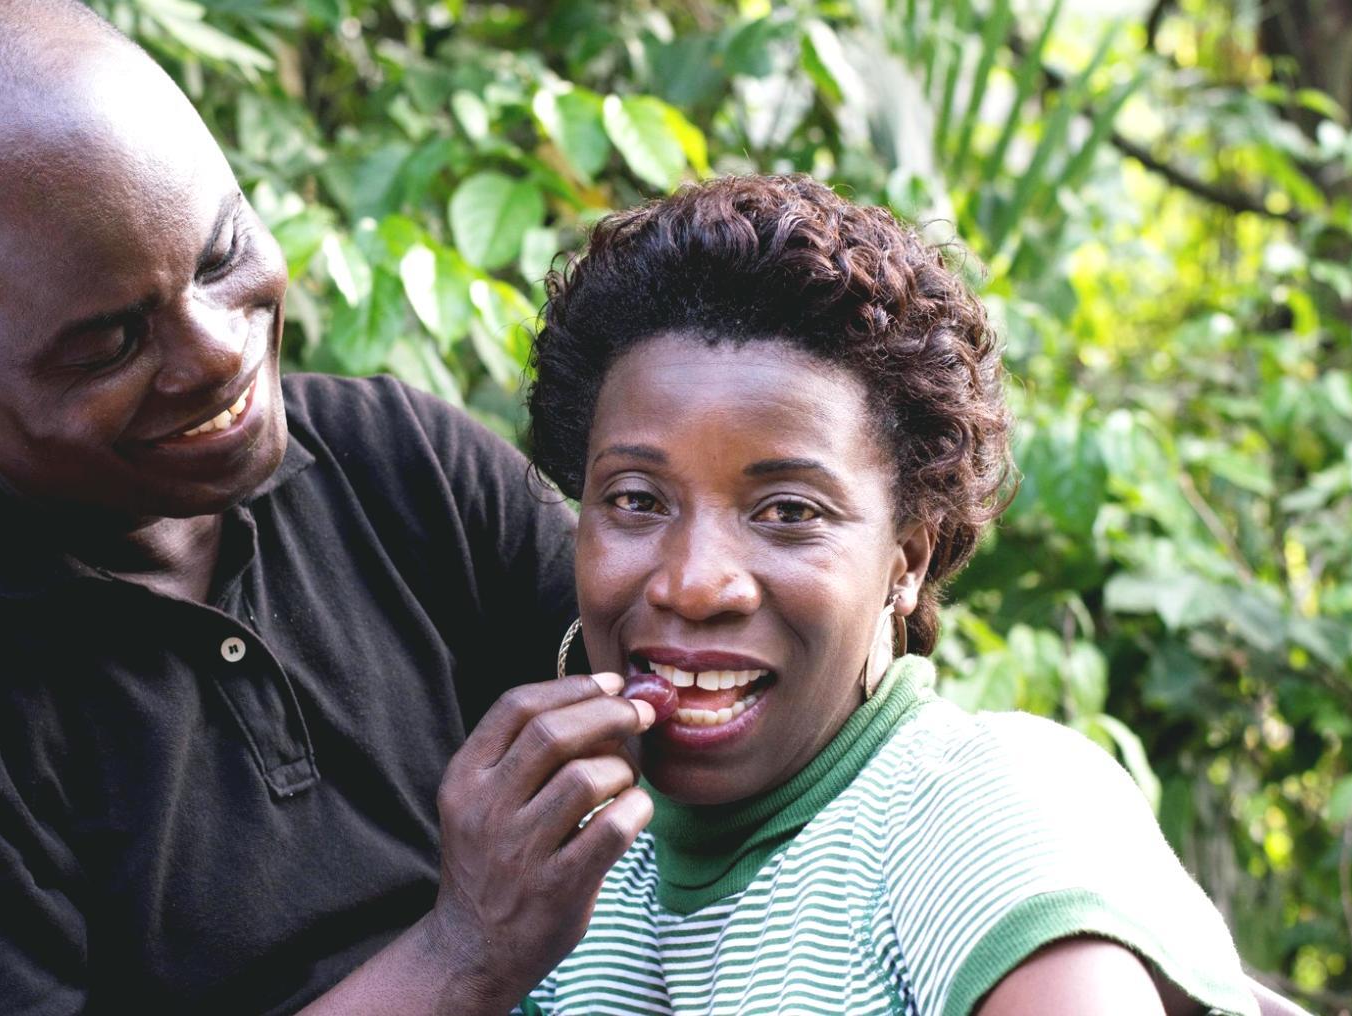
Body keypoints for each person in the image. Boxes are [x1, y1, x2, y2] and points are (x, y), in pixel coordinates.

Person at [0, 1, 656, 1012]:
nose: (219, 351)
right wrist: (463, 951)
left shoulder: (394, 456)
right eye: (109, 341)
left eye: (222, 253)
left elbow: (693, 697)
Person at [514, 174, 1263, 1015]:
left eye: (789, 512)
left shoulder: (973, 805)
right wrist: (467, 946)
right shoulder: (559, 878)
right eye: (637, 500)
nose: (694, 583)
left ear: (907, 559)